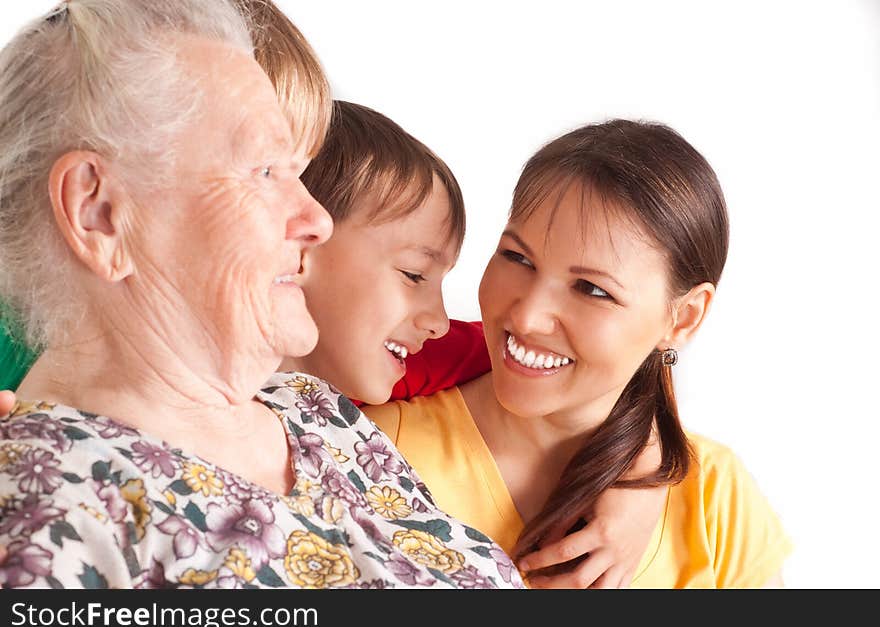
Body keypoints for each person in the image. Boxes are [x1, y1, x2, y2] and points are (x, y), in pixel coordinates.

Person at [0, 0, 522, 589]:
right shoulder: (48, 518)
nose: (317, 220)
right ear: (98, 214)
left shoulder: (318, 413)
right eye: (264, 171)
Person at [366, 119, 794, 588]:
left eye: (591, 289)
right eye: (518, 257)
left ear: (685, 317)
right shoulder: (369, 451)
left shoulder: (717, 499)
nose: (528, 318)